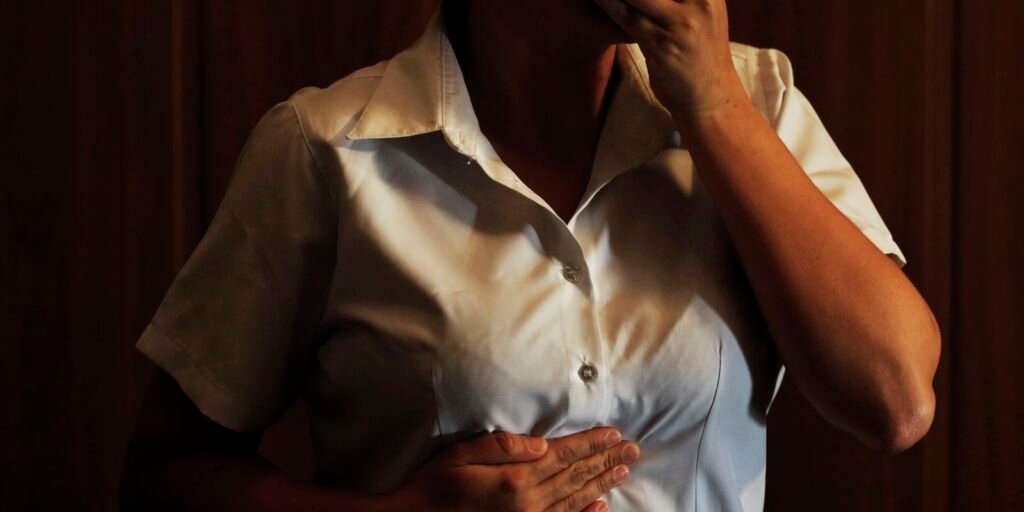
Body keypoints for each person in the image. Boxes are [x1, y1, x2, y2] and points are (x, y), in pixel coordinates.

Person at [120, 0, 941, 510]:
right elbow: (164, 478)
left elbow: (895, 399)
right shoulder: (327, 151)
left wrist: (715, 103)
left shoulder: (754, 103)